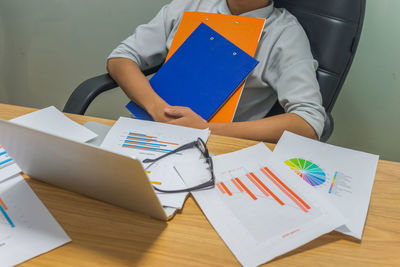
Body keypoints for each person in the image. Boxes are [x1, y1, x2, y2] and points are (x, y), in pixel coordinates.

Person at [107, 0, 326, 143]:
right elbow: (120, 58)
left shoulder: (285, 34)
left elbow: (308, 122)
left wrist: (207, 129)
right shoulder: (190, 5)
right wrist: (157, 109)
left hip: (216, 150)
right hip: (145, 132)